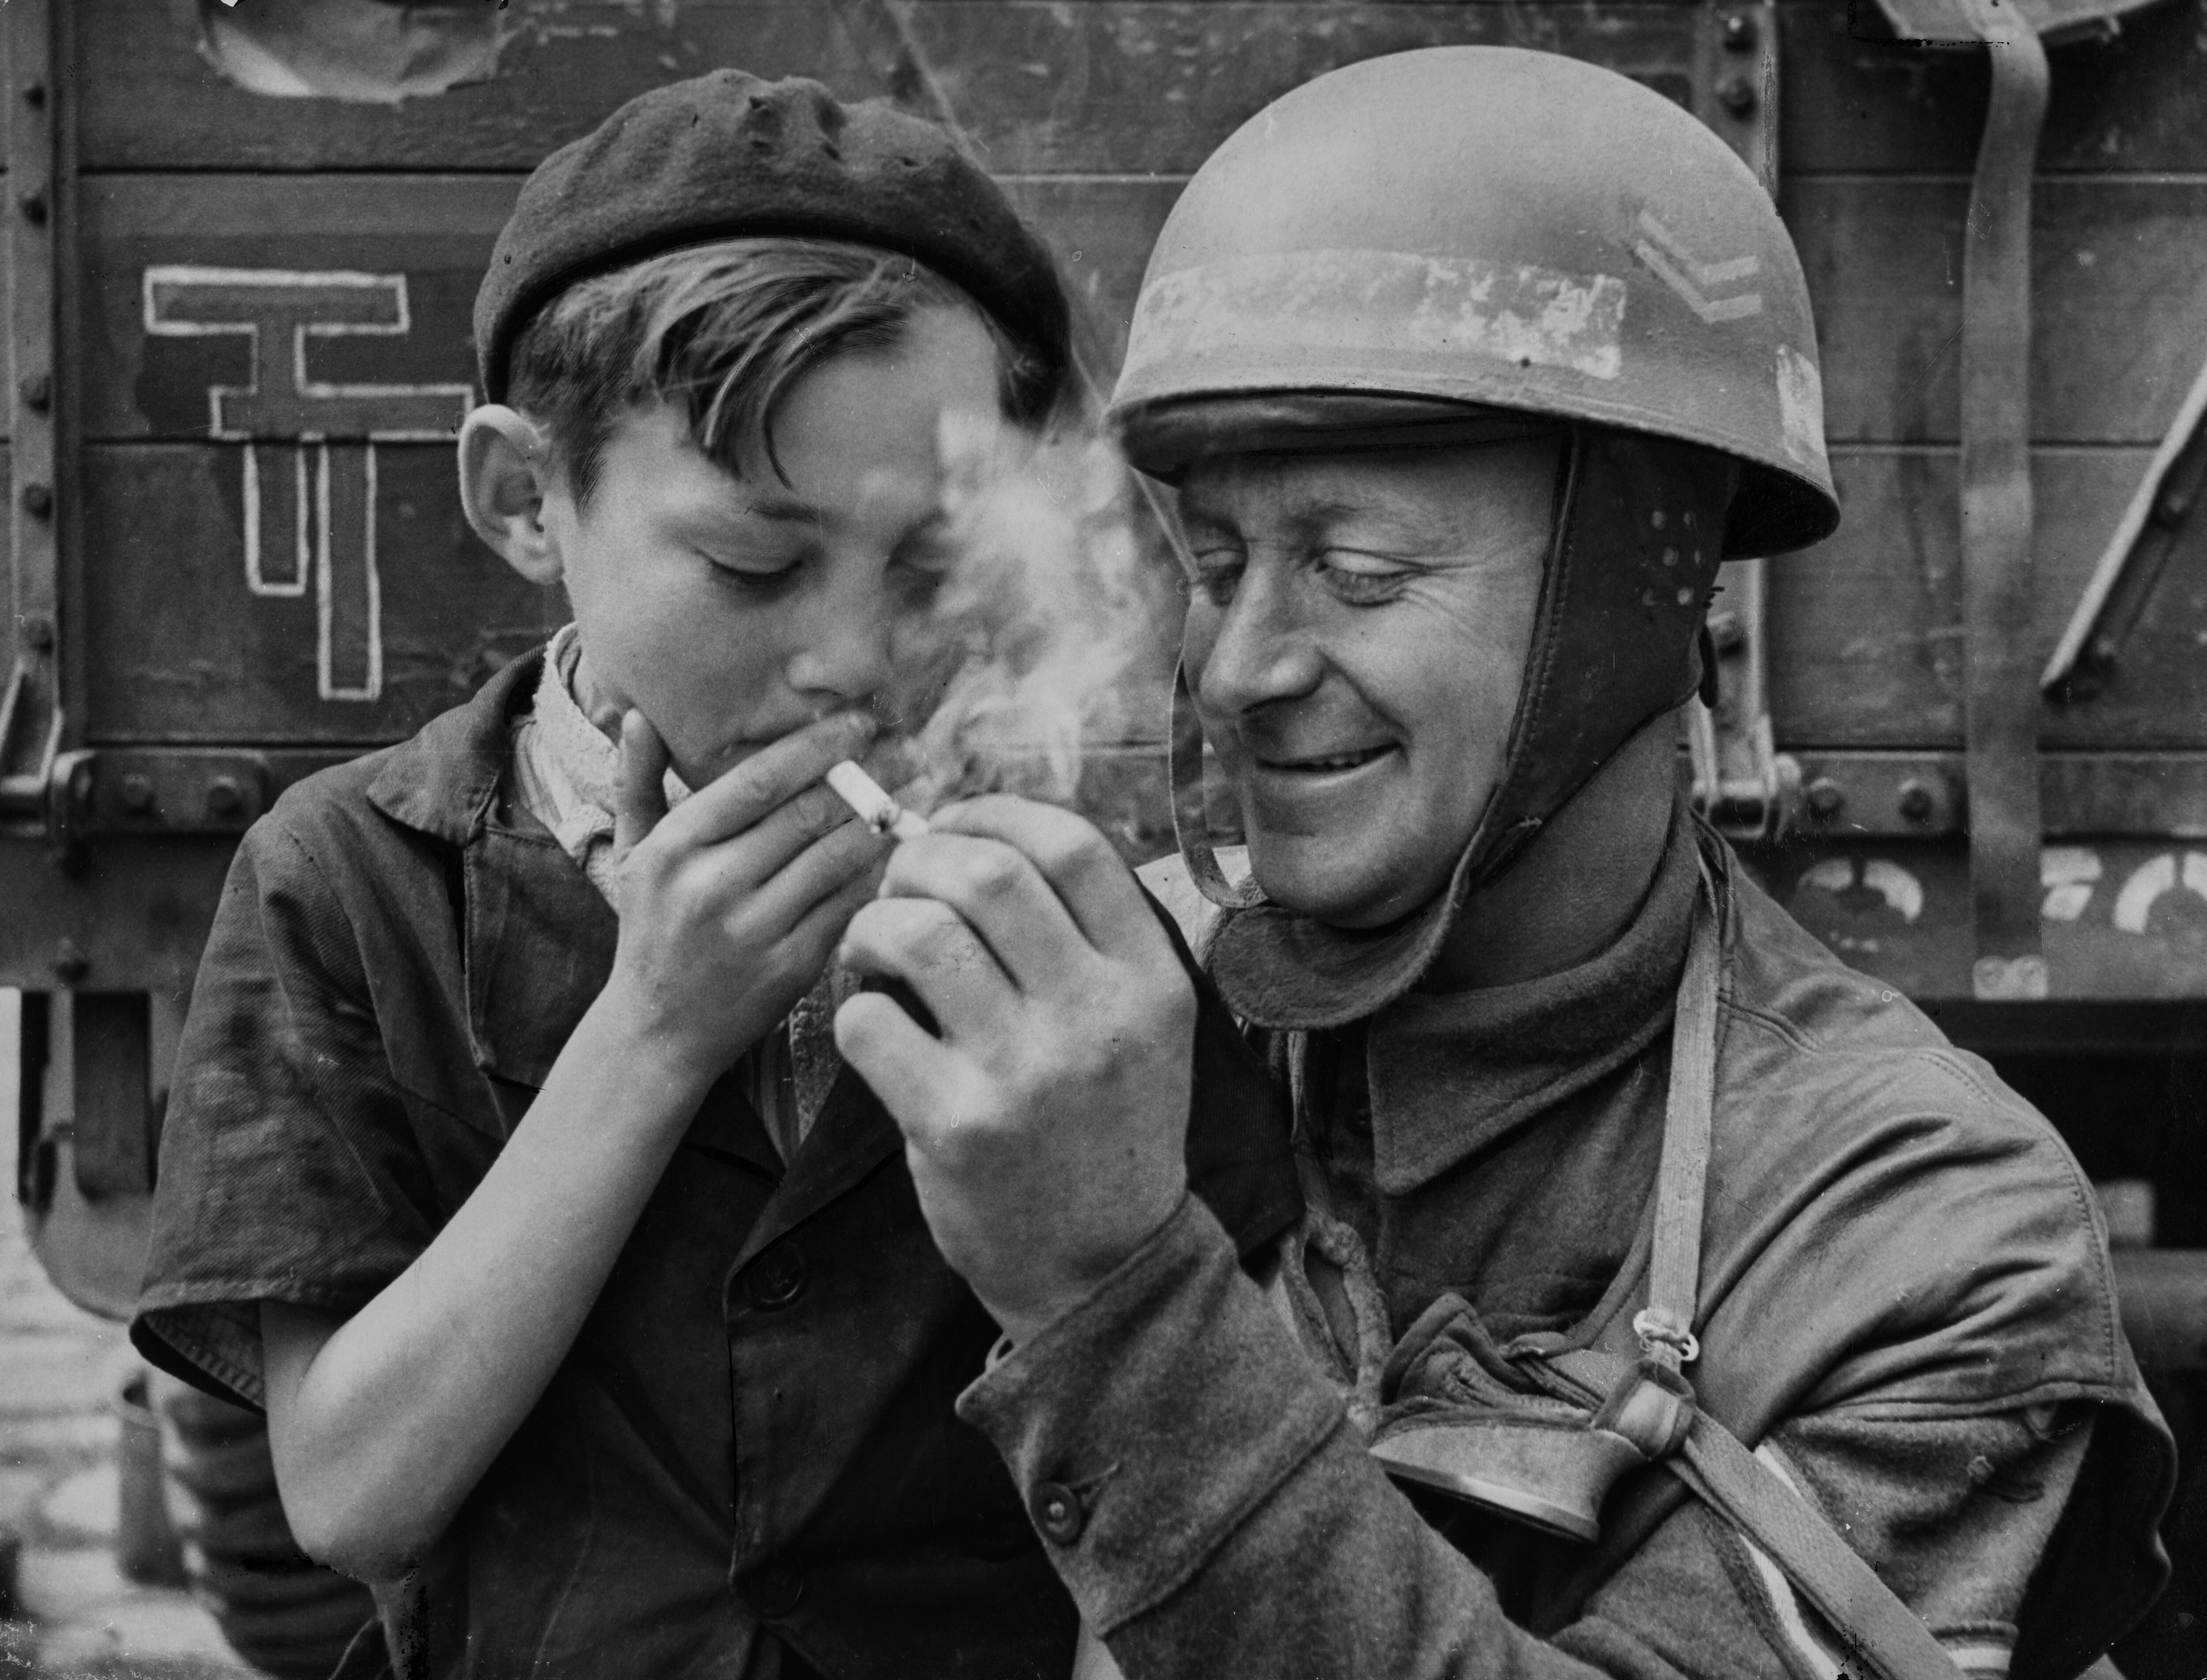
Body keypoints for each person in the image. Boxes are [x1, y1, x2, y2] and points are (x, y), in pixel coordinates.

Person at [832, 47, 2177, 1680]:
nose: (1241, 667)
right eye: (1219, 564)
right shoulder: (1094, 1024)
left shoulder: (1915, 1238)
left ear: (1636, 585)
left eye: (1357, 568)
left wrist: (1112, 1295)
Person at [130, 70, 1299, 1680]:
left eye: (933, 567)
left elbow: (1181, 1472)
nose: (851, 658)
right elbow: (351, 1496)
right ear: (525, 499)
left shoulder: (1058, 925)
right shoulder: (351, 880)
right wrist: (657, 1027)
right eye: (755, 562)